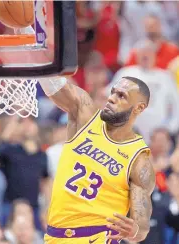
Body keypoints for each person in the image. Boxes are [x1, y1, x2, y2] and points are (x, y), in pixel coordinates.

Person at [36, 75, 155, 243]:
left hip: (97, 237)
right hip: (55, 235)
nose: (112, 98)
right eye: (113, 92)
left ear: (139, 107)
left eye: (122, 96)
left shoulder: (138, 160)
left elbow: (142, 225)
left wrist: (134, 230)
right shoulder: (85, 116)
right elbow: (54, 85)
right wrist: (38, 62)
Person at [0, 116, 52, 232]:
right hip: (9, 207)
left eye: (31, 121)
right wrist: (7, 133)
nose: (27, 125)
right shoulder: (9, 149)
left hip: (33, 208)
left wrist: (47, 210)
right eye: (23, 122)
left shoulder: (42, 156)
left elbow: (46, 184)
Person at [107, 40, 179, 144]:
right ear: (136, 55)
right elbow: (109, 99)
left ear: (155, 55)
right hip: (127, 131)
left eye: (149, 52)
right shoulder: (126, 73)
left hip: (159, 136)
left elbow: (176, 106)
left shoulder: (165, 77)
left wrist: (168, 130)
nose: (146, 55)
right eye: (143, 52)